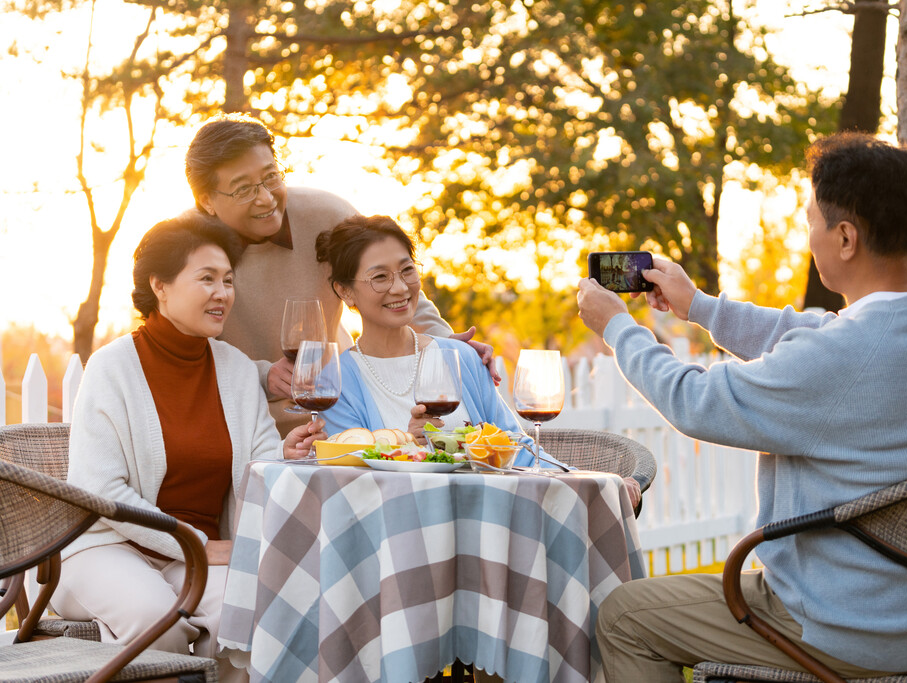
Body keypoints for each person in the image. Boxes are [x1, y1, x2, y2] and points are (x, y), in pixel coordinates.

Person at [576, 132, 907, 678]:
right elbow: (819, 334)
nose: (808, 237)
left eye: (811, 223)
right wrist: (700, 307)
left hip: (843, 628)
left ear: (845, 237)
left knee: (621, 618)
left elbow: (695, 400)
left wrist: (618, 329)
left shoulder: (841, 357)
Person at [51, 214, 326, 683]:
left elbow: (257, 465)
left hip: (195, 557)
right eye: (207, 279)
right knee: (157, 617)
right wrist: (196, 544)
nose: (223, 293)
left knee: (254, 609)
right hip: (106, 549)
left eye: (228, 281)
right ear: (160, 285)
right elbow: (99, 489)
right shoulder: (112, 367)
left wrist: (289, 455)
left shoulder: (236, 369)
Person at [183, 113, 499, 434]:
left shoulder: (326, 213)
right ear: (206, 201)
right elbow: (183, 356)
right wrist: (262, 376)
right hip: (243, 423)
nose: (265, 198)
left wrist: (445, 349)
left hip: (340, 412)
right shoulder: (184, 249)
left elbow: (391, 277)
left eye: (271, 177)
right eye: (243, 189)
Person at [314, 215, 593, 481]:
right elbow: (354, 479)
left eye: (407, 270)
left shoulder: (461, 358)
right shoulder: (335, 383)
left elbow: (516, 448)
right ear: (345, 291)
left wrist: (586, 481)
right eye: (380, 277)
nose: (400, 288)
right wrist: (411, 445)